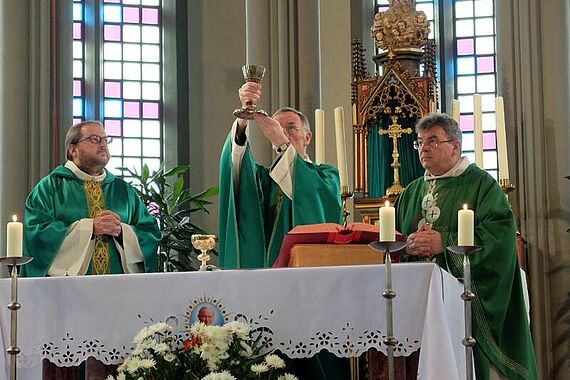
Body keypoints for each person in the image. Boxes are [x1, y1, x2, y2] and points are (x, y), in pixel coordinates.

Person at [395, 113, 538, 380]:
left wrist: (444, 242)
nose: (424, 148)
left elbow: (500, 239)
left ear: (456, 147)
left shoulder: (482, 185)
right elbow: (397, 241)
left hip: (467, 303)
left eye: (433, 141)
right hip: (420, 305)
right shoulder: (410, 192)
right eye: (420, 142)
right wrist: (409, 246)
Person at [218, 81, 343, 269]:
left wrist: (282, 142)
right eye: (277, 128)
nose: (283, 133)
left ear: (307, 137)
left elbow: (310, 194)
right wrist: (244, 118)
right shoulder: (263, 180)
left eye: (291, 128)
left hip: (308, 274)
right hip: (267, 273)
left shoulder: (326, 176)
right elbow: (235, 170)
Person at [23, 120, 160, 278]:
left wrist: (122, 232)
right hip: (68, 292)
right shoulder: (50, 187)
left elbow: (150, 232)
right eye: (94, 139)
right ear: (73, 149)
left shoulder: (123, 190)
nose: (103, 145)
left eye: (105, 139)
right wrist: (89, 228)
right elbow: (35, 235)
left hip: (120, 289)